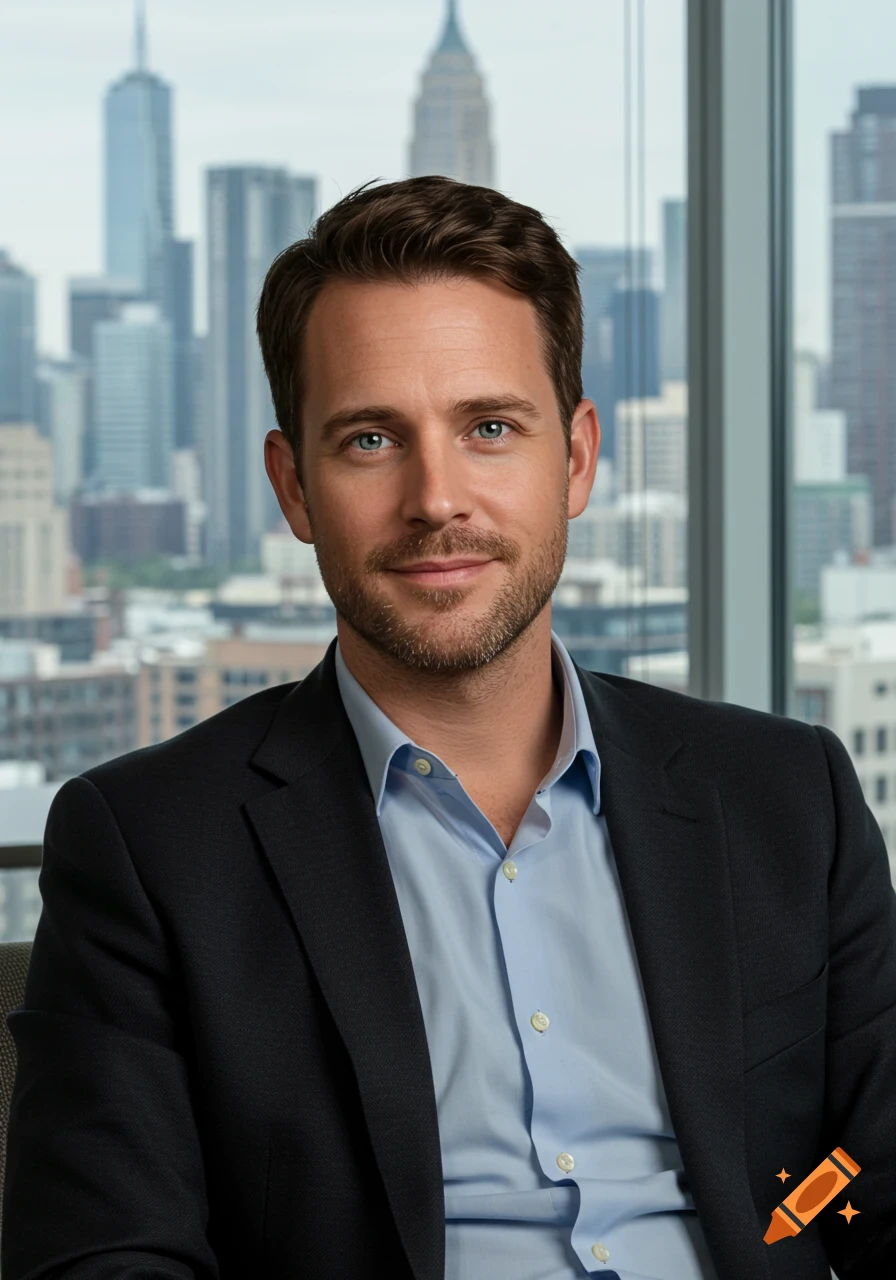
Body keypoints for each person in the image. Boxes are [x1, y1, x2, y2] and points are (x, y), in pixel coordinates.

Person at [3, 177, 894, 1280]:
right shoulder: (148, 846)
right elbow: (101, 1257)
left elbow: (875, 1174)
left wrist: (818, 1228)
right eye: (371, 438)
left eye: (489, 427)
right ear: (293, 487)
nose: (436, 497)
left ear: (575, 458)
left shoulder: (785, 793)